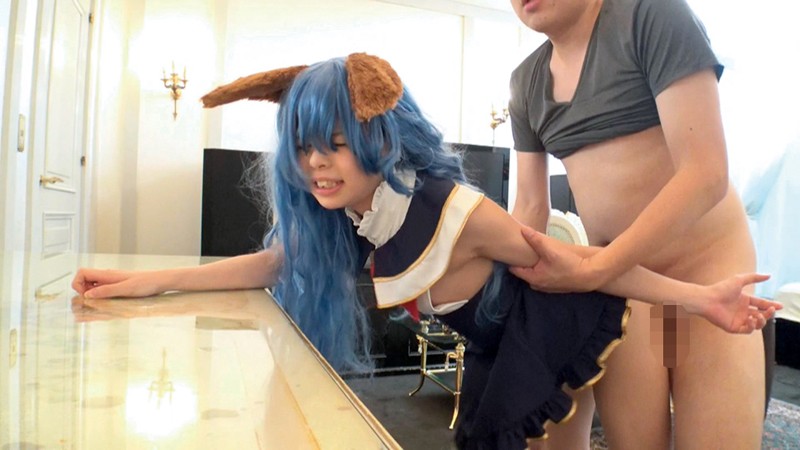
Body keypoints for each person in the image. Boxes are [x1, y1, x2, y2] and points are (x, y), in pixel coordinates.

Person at [71, 53, 778, 450]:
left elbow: (585, 271)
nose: (316, 164)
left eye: (336, 144)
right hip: (496, 343)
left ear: (379, 138)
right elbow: (269, 263)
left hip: (550, 326)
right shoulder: (356, 214)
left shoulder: (455, 210)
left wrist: (703, 299)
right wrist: (145, 281)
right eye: (305, 147)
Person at [506, 0, 769, 448]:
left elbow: (705, 173)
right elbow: (530, 207)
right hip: (629, 286)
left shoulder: (652, 16)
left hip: (706, 271)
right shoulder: (526, 82)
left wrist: (595, 269)